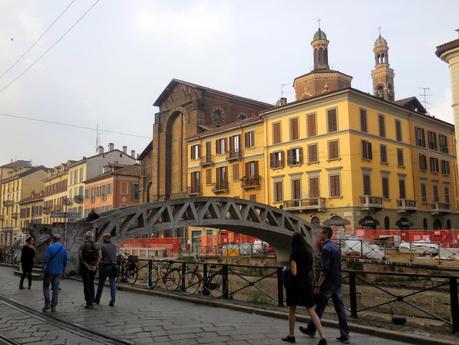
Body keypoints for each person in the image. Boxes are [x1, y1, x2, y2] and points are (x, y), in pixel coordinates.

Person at [300, 226, 350, 344]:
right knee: (340, 309)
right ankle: (345, 334)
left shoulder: (326, 249)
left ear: (326, 234)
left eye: (321, 233)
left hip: (327, 284)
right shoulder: (336, 247)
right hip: (337, 281)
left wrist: (318, 285)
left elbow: (324, 270)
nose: (319, 234)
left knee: (320, 307)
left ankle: (311, 329)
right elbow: (338, 266)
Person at [282, 232, 327, 344]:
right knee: (311, 311)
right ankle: (322, 337)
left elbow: (294, 272)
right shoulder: (309, 253)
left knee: (292, 309)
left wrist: (285, 270)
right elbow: (309, 270)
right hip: (307, 283)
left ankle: (291, 335)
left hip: (295, 285)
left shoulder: (294, 254)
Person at [42, 233, 67, 312]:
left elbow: (46, 259)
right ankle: (53, 306)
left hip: (49, 271)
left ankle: (47, 304)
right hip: (59, 271)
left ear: (53, 239)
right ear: (59, 239)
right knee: (55, 289)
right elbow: (65, 261)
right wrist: (63, 271)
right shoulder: (64, 249)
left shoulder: (50, 248)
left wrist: (44, 267)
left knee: (46, 287)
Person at [79, 230, 101, 309]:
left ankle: (89, 302)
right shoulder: (97, 244)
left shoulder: (83, 244)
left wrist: (87, 265)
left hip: (85, 267)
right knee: (91, 283)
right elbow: (100, 256)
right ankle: (92, 300)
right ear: (92, 236)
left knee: (86, 284)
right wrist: (95, 265)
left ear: (86, 236)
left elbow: (81, 256)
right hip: (94, 267)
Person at [95, 232, 117, 306]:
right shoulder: (115, 246)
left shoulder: (103, 247)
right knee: (113, 284)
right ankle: (113, 300)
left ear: (105, 238)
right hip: (113, 267)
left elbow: (100, 257)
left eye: (103, 238)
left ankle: (97, 299)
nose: (102, 239)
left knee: (101, 284)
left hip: (105, 266)